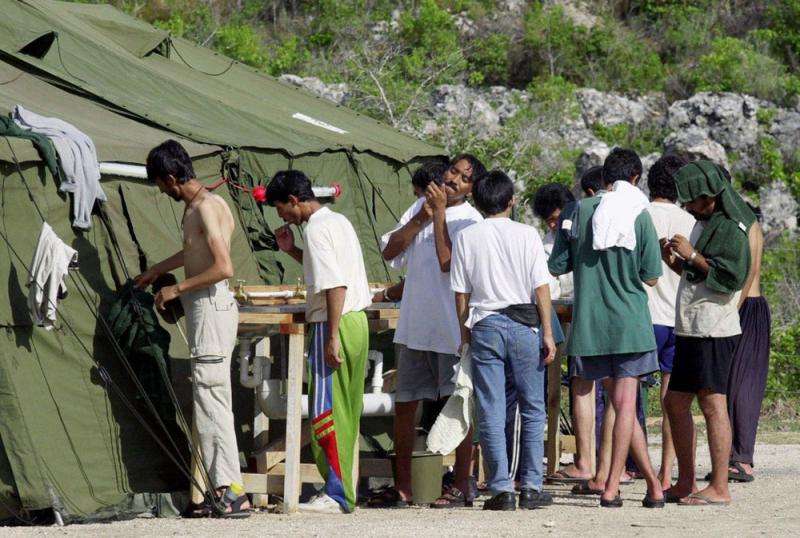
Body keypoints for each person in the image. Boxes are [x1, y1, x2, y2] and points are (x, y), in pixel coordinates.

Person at [135, 140, 250, 518]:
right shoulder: (201, 207)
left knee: (212, 401)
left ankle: (232, 490)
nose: (162, 191)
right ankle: (217, 490)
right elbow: (194, 252)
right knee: (207, 400)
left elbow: (223, 266)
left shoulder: (205, 208)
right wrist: (156, 270)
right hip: (206, 310)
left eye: (161, 184)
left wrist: (177, 288)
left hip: (211, 309)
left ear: (171, 177)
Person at [549, 147, 665, 508]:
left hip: (589, 325)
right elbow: (651, 275)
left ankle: (650, 487)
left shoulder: (577, 213)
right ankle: (614, 485)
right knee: (625, 405)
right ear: (634, 179)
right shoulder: (640, 216)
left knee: (616, 403)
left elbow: (558, 265)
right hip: (630, 324)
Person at [373, 154, 485, 508]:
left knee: (459, 406)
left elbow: (448, 264)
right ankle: (403, 486)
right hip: (414, 327)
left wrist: (437, 216)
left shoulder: (471, 220)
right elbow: (390, 251)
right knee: (405, 405)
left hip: (452, 330)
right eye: (453, 170)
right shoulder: (419, 206)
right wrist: (421, 217)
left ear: (471, 189)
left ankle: (462, 482)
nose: (454, 179)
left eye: (463, 178)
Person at [266, 170, 372, 514]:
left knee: (325, 410)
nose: (282, 216)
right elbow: (329, 272)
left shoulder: (314, 229)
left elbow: (334, 285)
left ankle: (337, 492)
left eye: (282, 209)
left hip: (335, 321)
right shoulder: (337, 220)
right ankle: (342, 489)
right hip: (358, 322)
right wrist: (292, 250)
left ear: (295, 201)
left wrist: (330, 337)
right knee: (348, 408)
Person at [451, 170, 556, 511]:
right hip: (525, 324)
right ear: (511, 201)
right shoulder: (527, 234)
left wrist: (464, 334)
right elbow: (541, 288)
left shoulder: (467, 237)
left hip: (485, 323)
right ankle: (531, 485)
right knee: (533, 407)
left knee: (491, 407)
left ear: (477, 202)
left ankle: (500, 488)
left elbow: (461, 294)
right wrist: (548, 333)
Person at [663, 160, 755, 506]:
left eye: (691, 200)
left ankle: (719, 486)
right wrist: (677, 260)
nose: (687, 206)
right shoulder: (707, 221)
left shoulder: (731, 226)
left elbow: (730, 276)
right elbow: (699, 272)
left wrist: (693, 255)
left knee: (713, 403)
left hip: (714, 328)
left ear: (709, 195)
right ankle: (686, 480)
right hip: (692, 326)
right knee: (675, 401)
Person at [644, 154, 696, 490]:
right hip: (677, 317)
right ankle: (666, 473)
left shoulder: (639, 215)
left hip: (643, 316)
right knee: (672, 403)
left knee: (626, 397)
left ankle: (624, 469)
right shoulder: (690, 221)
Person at [725, 210, 770, 482]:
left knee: (745, 386)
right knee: (727, 385)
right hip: (736, 307)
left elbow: (749, 271)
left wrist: (734, 309)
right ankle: (730, 456)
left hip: (748, 307)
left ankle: (742, 458)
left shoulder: (748, 224)